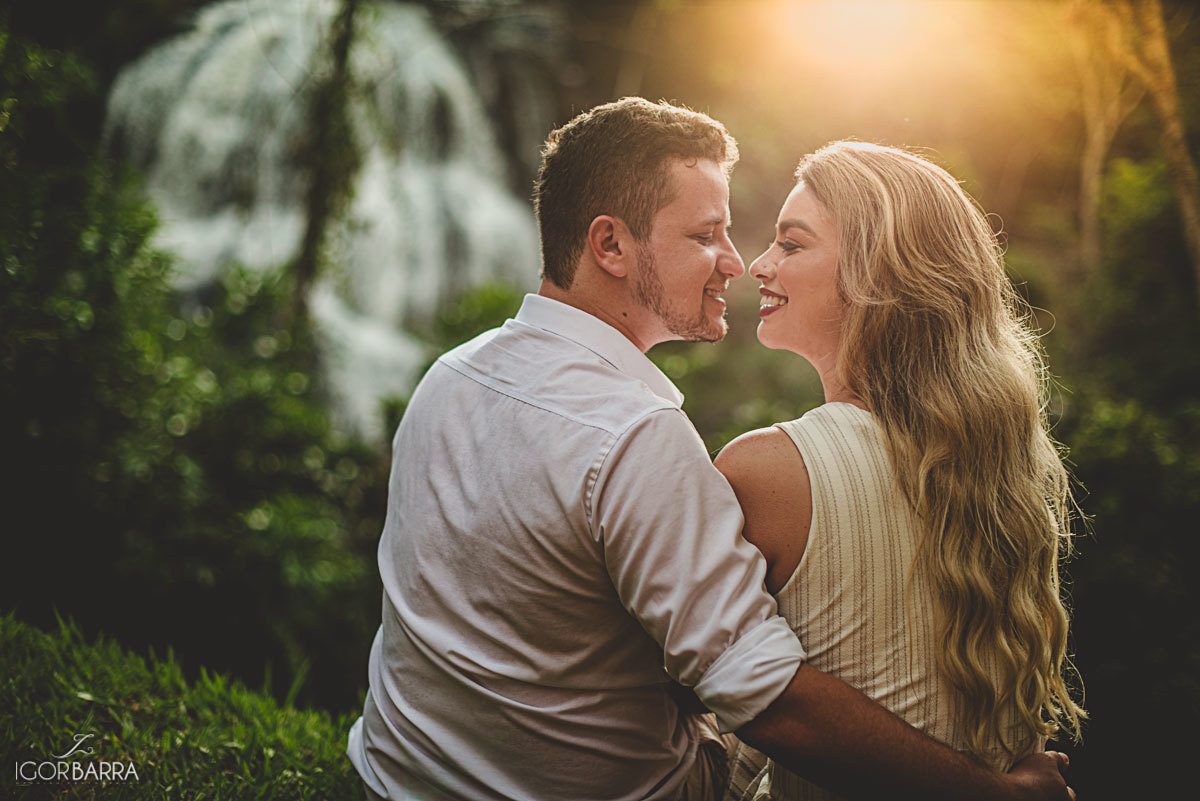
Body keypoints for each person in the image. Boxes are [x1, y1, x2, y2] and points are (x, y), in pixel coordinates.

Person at [346, 98, 1075, 801]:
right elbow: (764, 697)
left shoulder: (447, 376)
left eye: (777, 242)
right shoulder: (637, 435)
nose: (737, 262)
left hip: (397, 776)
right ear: (610, 245)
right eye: (705, 235)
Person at [715, 141, 1087, 801]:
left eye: (791, 245)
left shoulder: (767, 468)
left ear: (876, 273)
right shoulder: (1006, 461)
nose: (758, 264)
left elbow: (751, 697)